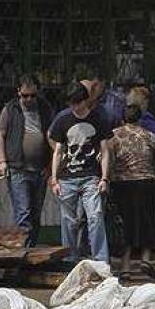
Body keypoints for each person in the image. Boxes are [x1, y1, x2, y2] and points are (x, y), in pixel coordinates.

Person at [49, 83, 111, 264]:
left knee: (95, 216)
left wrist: (104, 178)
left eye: (78, 103)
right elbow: (58, 151)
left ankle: (100, 261)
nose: (75, 107)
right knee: (68, 221)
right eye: (71, 104)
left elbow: (105, 150)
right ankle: (70, 260)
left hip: (91, 176)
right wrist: (54, 179)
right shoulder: (63, 120)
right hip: (67, 177)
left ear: (86, 101)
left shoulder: (98, 119)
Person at [0, 75, 55, 247]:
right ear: (18, 92)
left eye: (33, 95)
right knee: (24, 212)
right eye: (25, 95)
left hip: (40, 169)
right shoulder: (11, 109)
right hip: (18, 168)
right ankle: (24, 250)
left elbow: (52, 136)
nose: (29, 99)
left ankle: (31, 248)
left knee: (35, 214)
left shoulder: (44, 108)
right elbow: (0, 134)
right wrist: (2, 161)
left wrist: (50, 166)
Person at [106, 103, 155, 280]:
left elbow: (110, 160)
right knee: (146, 221)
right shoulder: (150, 136)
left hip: (123, 183)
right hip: (146, 181)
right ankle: (145, 260)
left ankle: (125, 267)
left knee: (125, 225)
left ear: (122, 119)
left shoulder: (114, 136)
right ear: (140, 119)